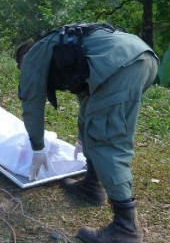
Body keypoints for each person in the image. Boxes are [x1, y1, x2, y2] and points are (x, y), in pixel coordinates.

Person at [15, 23, 158, 243]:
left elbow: (31, 101)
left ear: (24, 56)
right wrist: (83, 135)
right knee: (96, 129)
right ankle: (92, 186)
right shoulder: (64, 45)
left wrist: (37, 146)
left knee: (106, 141)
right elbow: (89, 97)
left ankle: (126, 228)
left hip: (122, 64)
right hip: (140, 57)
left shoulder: (35, 55)